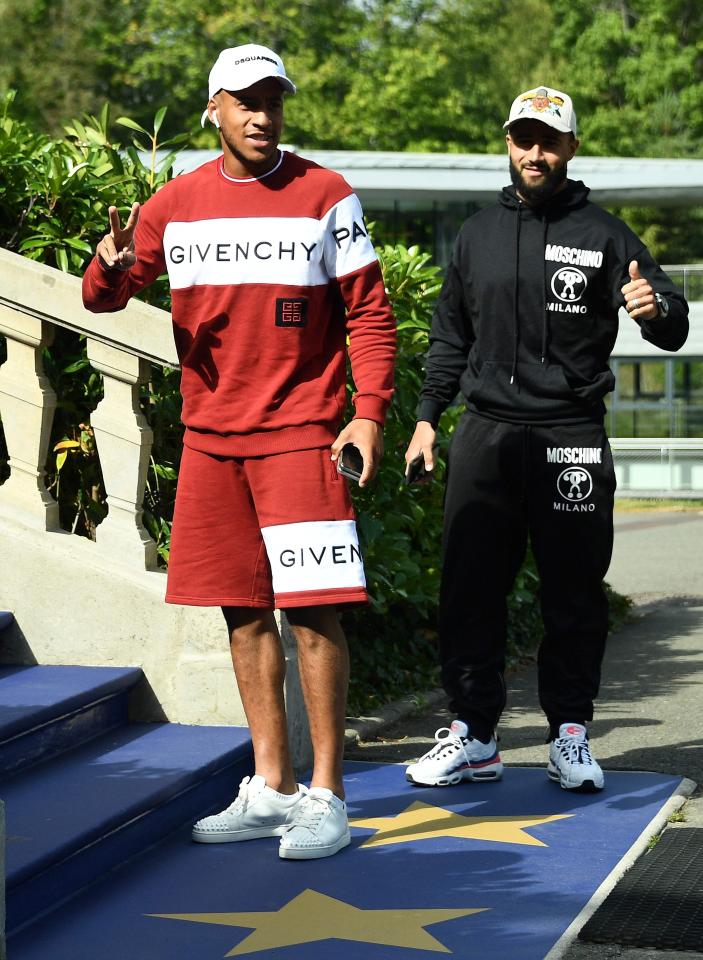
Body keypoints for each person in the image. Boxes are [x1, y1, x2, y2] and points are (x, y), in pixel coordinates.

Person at [82, 43, 396, 859]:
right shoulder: (172, 202)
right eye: (247, 101)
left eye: (275, 100)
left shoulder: (326, 194)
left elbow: (367, 313)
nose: (264, 115)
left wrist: (366, 415)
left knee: (314, 613)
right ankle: (271, 788)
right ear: (213, 110)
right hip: (211, 443)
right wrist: (107, 266)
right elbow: (108, 295)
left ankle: (326, 793)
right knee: (243, 612)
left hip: (302, 437)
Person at [403, 85, 688, 793]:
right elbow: (448, 338)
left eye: (548, 139)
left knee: (573, 592)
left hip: (570, 436)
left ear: (570, 147)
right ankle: (474, 734)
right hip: (486, 432)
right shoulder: (474, 234)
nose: (534, 152)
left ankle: (568, 735)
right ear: (507, 143)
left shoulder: (606, 235)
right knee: (469, 587)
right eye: (522, 138)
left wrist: (655, 310)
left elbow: (672, 323)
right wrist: (425, 418)